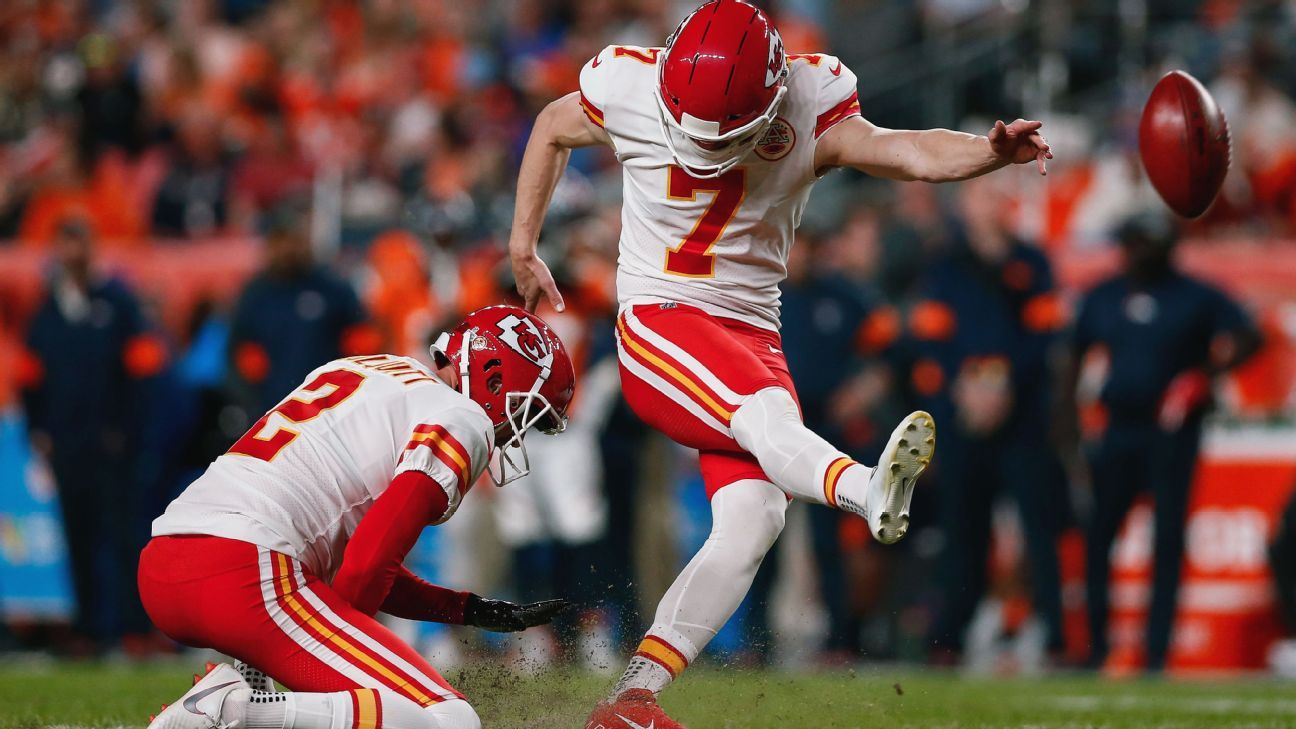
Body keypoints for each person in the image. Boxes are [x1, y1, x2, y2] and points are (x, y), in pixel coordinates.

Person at [507, 2, 1051, 725]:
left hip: (752, 333)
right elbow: (550, 126)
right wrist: (522, 243)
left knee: (753, 517)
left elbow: (909, 151)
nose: (701, 149)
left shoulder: (811, 100)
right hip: (660, 320)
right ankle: (865, 487)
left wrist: (988, 152)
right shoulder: (631, 84)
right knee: (764, 418)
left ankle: (630, 698)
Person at [139, 305, 575, 729]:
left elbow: (358, 558)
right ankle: (236, 710)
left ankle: (248, 695)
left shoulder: (372, 368)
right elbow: (364, 571)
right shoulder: (463, 418)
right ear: (495, 378)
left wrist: (464, 609)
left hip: (168, 562)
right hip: (247, 572)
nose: (516, 432)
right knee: (450, 721)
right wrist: (338, 682)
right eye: (525, 412)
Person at [1062, 213, 1261, 672]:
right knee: (1098, 537)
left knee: (1167, 542)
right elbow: (1073, 353)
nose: (1135, 254)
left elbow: (1251, 335)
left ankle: (1155, 654)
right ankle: (1096, 647)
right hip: (1118, 428)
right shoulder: (1105, 294)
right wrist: (1067, 421)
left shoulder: (1196, 295)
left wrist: (1206, 377)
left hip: (1172, 432)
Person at [916, 178, 1069, 663]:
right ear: (964, 203)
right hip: (964, 418)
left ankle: (1055, 636)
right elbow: (931, 339)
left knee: (1038, 527)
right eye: (982, 194)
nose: (991, 204)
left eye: (997, 195)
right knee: (964, 529)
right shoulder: (945, 264)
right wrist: (962, 388)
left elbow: (1046, 335)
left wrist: (1001, 386)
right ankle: (951, 635)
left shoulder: (1031, 262)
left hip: (1022, 416)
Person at [21, 219, 165, 655]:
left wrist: (129, 429)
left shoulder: (118, 304)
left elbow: (143, 371)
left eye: (79, 242)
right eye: (66, 242)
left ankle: (133, 628)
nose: (73, 252)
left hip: (113, 441)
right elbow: (31, 379)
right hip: (67, 442)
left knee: (124, 535)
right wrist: (39, 430)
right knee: (78, 535)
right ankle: (88, 629)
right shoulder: (47, 311)